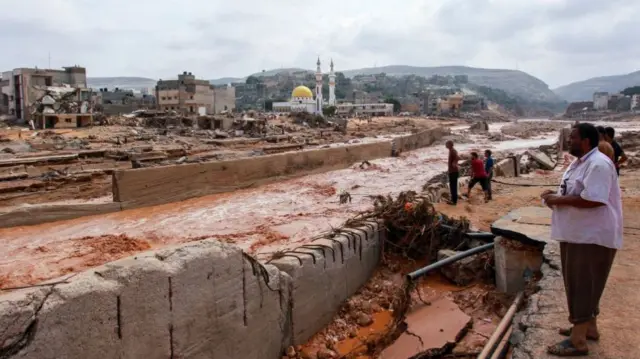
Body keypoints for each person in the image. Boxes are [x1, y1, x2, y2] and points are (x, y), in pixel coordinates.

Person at [541, 123, 622, 357]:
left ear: (585, 140)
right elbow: (573, 191)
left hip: (591, 236)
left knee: (583, 285)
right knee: (581, 283)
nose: (569, 141)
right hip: (577, 233)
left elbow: (594, 199)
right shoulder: (581, 163)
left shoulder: (598, 164)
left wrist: (558, 201)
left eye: (573, 138)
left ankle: (578, 340)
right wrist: (554, 196)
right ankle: (589, 327)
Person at [445, 140, 459, 205]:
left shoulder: (453, 151)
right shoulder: (451, 150)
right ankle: (453, 199)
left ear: (450, 144)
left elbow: (457, 157)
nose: (445, 145)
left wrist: (454, 163)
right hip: (452, 171)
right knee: (452, 186)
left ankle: (454, 201)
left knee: (453, 186)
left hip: (453, 171)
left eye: (446, 144)